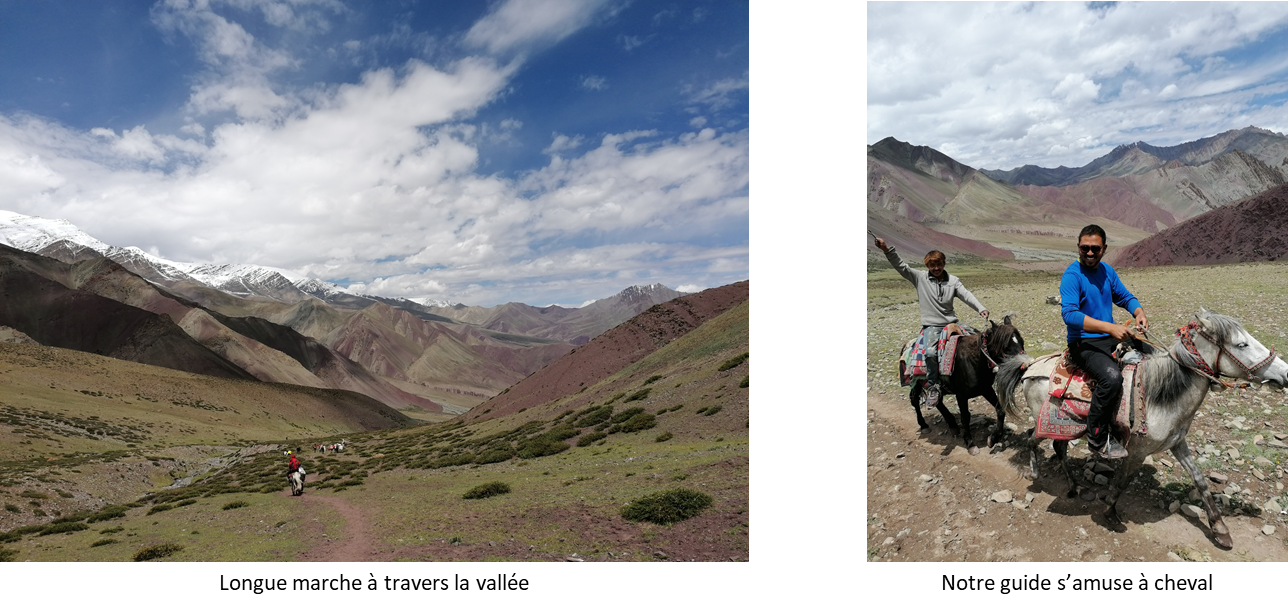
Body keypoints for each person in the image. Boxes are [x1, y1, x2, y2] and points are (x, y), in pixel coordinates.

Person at [1060, 224, 1148, 460]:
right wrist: (1111, 328)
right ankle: (1098, 438)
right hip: (1084, 344)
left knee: (1151, 356)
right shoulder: (1072, 275)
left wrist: (1138, 312)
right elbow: (1069, 314)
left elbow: (1124, 297)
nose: (1089, 253)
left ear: (1104, 248)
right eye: (1084, 248)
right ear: (1078, 247)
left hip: (1108, 338)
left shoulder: (1108, 272)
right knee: (1111, 378)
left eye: (1095, 249)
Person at [874, 236, 989, 408]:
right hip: (932, 326)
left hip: (952, 322)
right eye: (932, 265)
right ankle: (934, 386)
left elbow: (966, 295)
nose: (936, 268)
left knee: (979, 340)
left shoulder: (953, 281)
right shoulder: (919, 278)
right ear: (927, 266)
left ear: (943, 263)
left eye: (939, 264)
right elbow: (900, 266)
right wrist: (886, 249)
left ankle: (985, 374)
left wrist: (980, 308)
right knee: (929, 352)